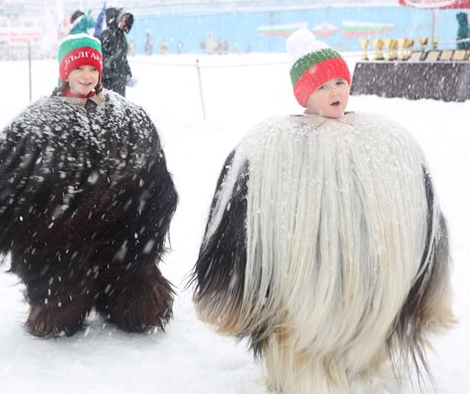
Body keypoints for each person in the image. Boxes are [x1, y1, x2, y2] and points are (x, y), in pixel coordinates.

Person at [190, 28, 454, 394]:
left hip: (361, 270)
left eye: (339, 82)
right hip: (303, 279)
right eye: (322, 86)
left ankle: (354, 346)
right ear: (303, 95)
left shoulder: (382, 139)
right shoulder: (277, 145)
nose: (335, 93)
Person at [0, 33, 178, 338]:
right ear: (64, 71)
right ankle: (64, 301)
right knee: (58, 321)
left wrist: (146, 232)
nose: (87, 76)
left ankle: (123, 288)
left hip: (121, 242)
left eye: (93, 69)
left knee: (140, 313)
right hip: (58, 245)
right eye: (79, 68)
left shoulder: (129, 116)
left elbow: (158, 182)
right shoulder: (37, 123)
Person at [98, 7, 134, 96]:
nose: (125, 23)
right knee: (109, 106)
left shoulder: (122, 36)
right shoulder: (107, 34)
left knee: (120, 106)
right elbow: (100, 56)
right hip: (108, 82)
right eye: (123, 19)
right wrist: (108, 75)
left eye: (126, 20)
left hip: (119, 81)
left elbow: (122, 57)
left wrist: (128, 74)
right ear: (115, 19)